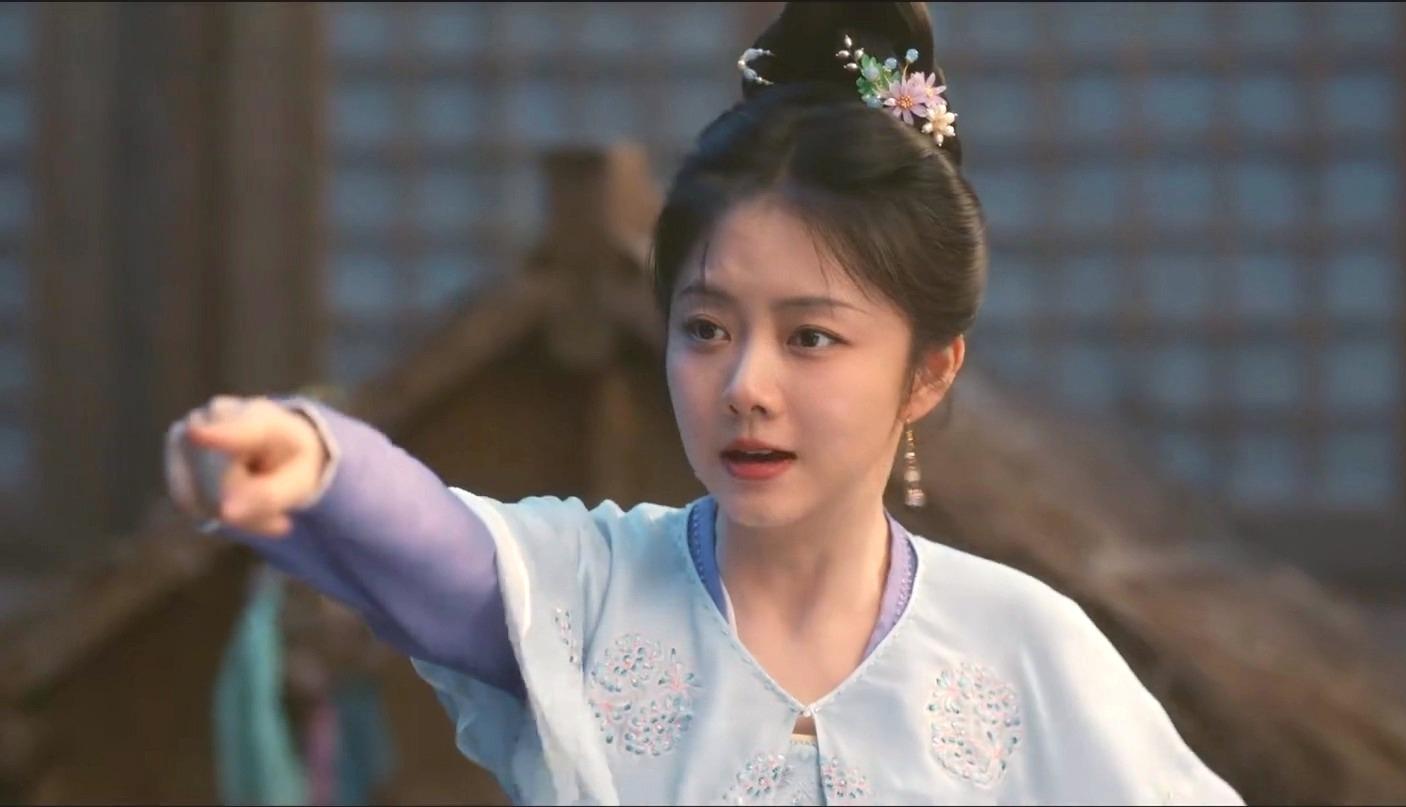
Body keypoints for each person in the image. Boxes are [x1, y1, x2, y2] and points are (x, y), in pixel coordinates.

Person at [164, 3, 1243, 804]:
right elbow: (442, 551)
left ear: (928, 370)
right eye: (707, 329)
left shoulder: (1023, 648)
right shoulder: (591, 591)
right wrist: (314, 461)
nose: (745, 387)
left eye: (810, 337)